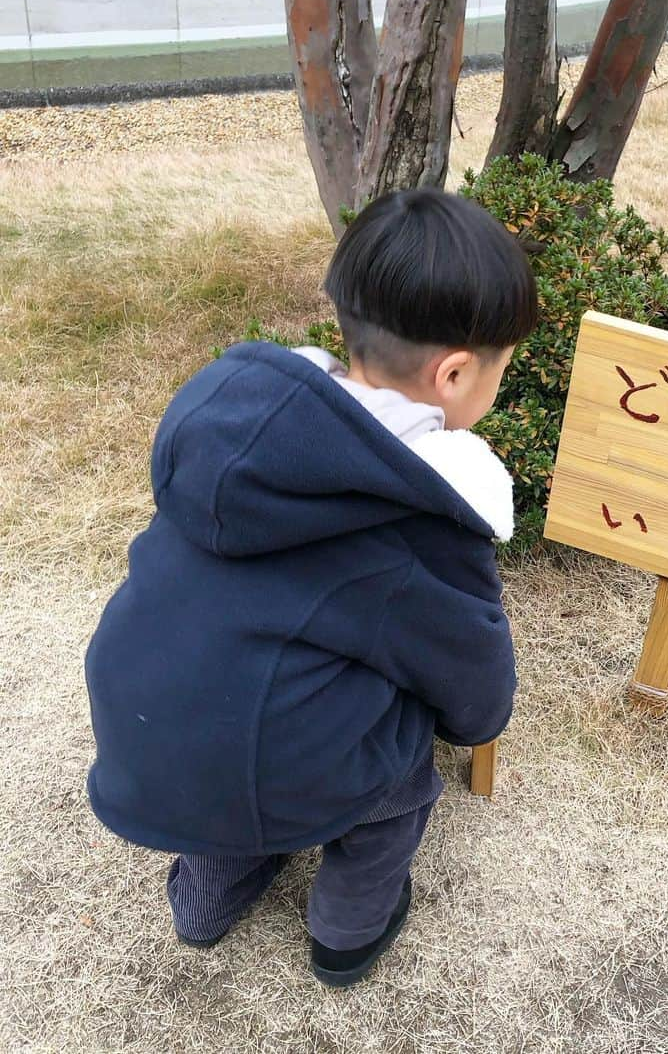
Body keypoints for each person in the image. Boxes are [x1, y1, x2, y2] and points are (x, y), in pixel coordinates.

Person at [84, 188, 537, 987]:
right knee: (399, 776)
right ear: (457, 372)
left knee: (237, 716)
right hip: (277, 755)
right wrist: (475, 723)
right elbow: (465, 662)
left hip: (142, 724)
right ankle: (347, 932)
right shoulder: (421, 504)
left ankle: (205, 901)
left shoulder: (234, 423)